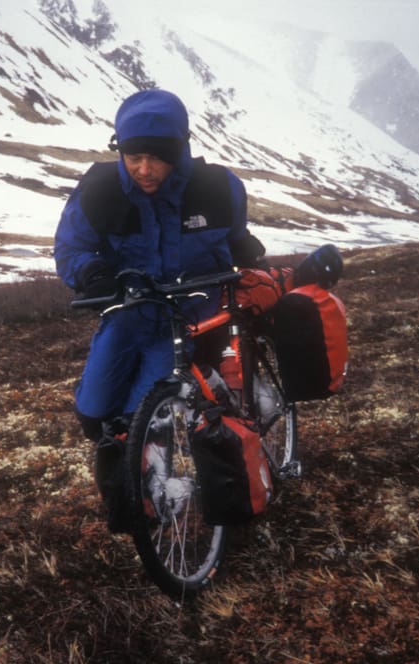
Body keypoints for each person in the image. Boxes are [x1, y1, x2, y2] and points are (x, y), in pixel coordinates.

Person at [54, 88, 266, 530]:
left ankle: (150, 506)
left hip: (194, 313)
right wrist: (91, 272)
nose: (144, 169)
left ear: (180, 150)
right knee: (94, 411)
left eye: (157, 157)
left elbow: (233, 237)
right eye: (133, 156)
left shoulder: (217, 188)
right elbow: (71, 247)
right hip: (130, 310)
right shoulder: (99, 190)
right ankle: (136, 489)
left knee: (144, 415)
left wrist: (243, 251)